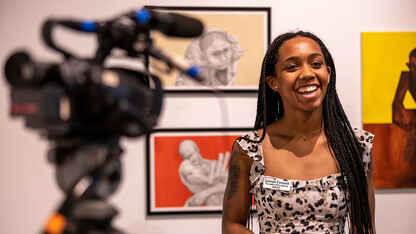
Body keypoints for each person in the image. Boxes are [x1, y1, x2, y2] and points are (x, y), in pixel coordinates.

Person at [222, 31, 375, 233]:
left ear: (328, 73)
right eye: (292, 66)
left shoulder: (357, 145)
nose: (307, 73)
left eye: (316, 64)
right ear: (273, 82)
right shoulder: (250, 149)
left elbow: (364, 227)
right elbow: (232, 225)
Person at [175, 28, 244, 87]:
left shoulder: (234, 68)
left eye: (225, 50)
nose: (223, 58)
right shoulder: (187, 81)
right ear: (203, 57)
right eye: (215, 54)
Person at [178, 139, 229, 206]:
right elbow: (191, 177)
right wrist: (208, 180)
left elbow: (231, 185)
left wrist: (205, 193)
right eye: (187, 158)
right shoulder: (187, 170)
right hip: (213, 209)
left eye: (191, 155)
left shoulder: (214, 164)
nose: (191, 159)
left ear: (197, 150)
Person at [393, 48, 416, 162]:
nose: (414, 70)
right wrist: (403, 110)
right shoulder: (407, 76)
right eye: (412, 66)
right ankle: (412, 137)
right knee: (397, 115)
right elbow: (396, 101)